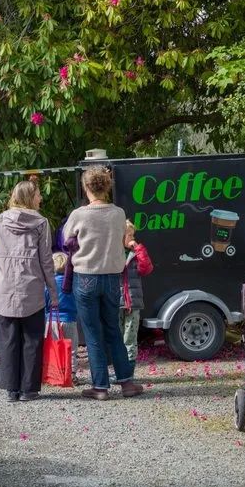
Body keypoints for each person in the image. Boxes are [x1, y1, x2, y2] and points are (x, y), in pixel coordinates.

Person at [62, 165, 144, 401]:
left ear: (85, 187)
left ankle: (100, 387)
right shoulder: (118, 213)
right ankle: (126, 382)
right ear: (107, 187)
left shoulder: (79, 215)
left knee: (92, 333)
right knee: (113, 330)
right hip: (111, 277)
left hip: (85, 276)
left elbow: (66, 239)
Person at [0, 180, 58, 402]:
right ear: (30, 198)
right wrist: (53, 292)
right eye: (38, 194)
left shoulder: (1, 219)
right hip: (32, 288)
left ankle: (11, 389)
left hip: (5, 288)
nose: (41, 198)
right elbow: (46, 261)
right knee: (32, 340)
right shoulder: (41, 223)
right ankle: (28, 390)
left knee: (8, 340)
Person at [119, 220, 154, 366]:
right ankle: (118, 366)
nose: (132, 238)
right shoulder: (113, 253)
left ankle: (129, 368)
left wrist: (139, 249)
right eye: (129, 235)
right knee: (117, 336)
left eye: (133, 235)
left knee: (130, 337)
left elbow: (146, 269)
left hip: (133, 302)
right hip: (117, 302)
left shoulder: (136, 253)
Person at [45, 252, 79, 383]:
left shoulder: (49, 283)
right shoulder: (72, 283)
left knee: (53, 347)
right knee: (71, 349)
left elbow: (45, 301)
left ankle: (54, 372)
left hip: (52, 319)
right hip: (70, 319)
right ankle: (71, 374)